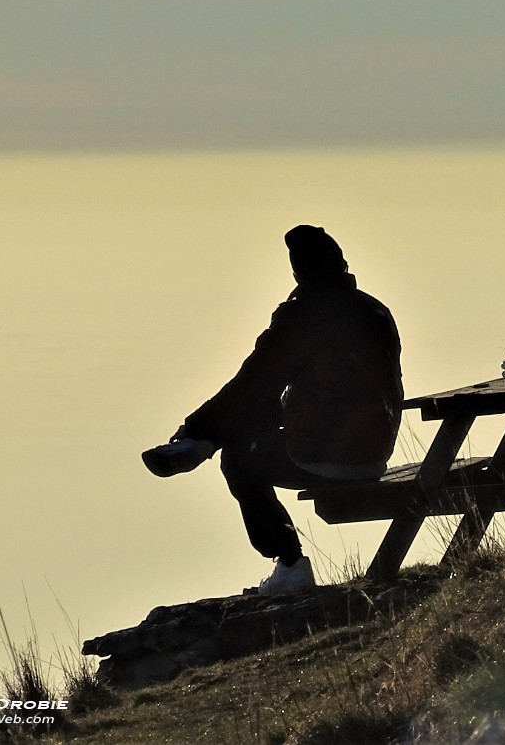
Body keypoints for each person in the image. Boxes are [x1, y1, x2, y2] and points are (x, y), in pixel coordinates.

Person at [142, 225, 404, 595]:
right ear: (342, 264)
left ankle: (290, 564)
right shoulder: (374, 310)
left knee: (239, 458)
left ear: (298, 272)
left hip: (328, 456)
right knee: (258, 407)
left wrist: (196, 424)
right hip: (374, 453)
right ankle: (202, 441)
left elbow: (253, 380)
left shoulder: (304, 318)